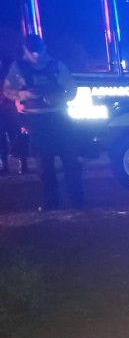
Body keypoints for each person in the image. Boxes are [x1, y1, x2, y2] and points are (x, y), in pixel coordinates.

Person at [3, 34, 82, 208]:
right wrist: (23, 94)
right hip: (36, 120)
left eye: (38, 51)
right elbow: (8, 90)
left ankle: (77, 200)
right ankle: (51, 203)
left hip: (59, 117)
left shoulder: (57, 66)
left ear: (44, 47)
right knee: (45, 165)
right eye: (31, 53)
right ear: (25, 51)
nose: (36, 56)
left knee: (70, 161)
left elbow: (72, 90)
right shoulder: (19, 67)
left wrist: (58, 98)